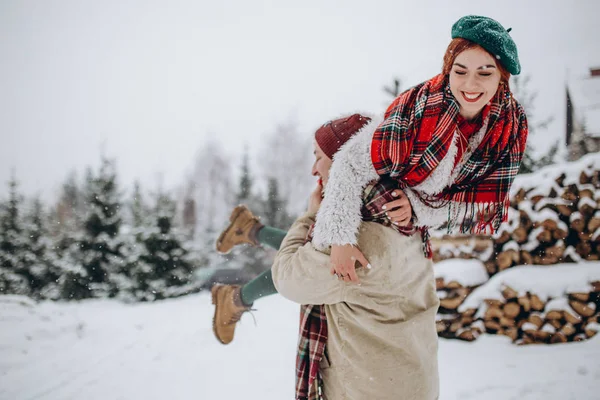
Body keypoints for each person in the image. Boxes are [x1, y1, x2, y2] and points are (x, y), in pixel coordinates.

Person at [314, 15, 529, 285]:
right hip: (365, 212)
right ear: (448, 70)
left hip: (413, 238)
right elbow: (349, 163)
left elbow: (476, 205)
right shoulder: (417, 113)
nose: (471, 85)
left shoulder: (509, 128)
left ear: (502, 78)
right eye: (460, 72)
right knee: (306, 277)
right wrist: (339, 240)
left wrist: (416, 208)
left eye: (485, 73)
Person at [211, 114, 415, 345]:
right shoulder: (386, 204)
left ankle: (247, 245)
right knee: (310, 257)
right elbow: (295, 271)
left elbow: (293, 272)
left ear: (344, 161)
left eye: (318, 157)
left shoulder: (364, 224)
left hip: (372, 366)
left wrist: (312, 216)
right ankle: (239, 283)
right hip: (391, 361)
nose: (313, 170)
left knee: (308, 257)